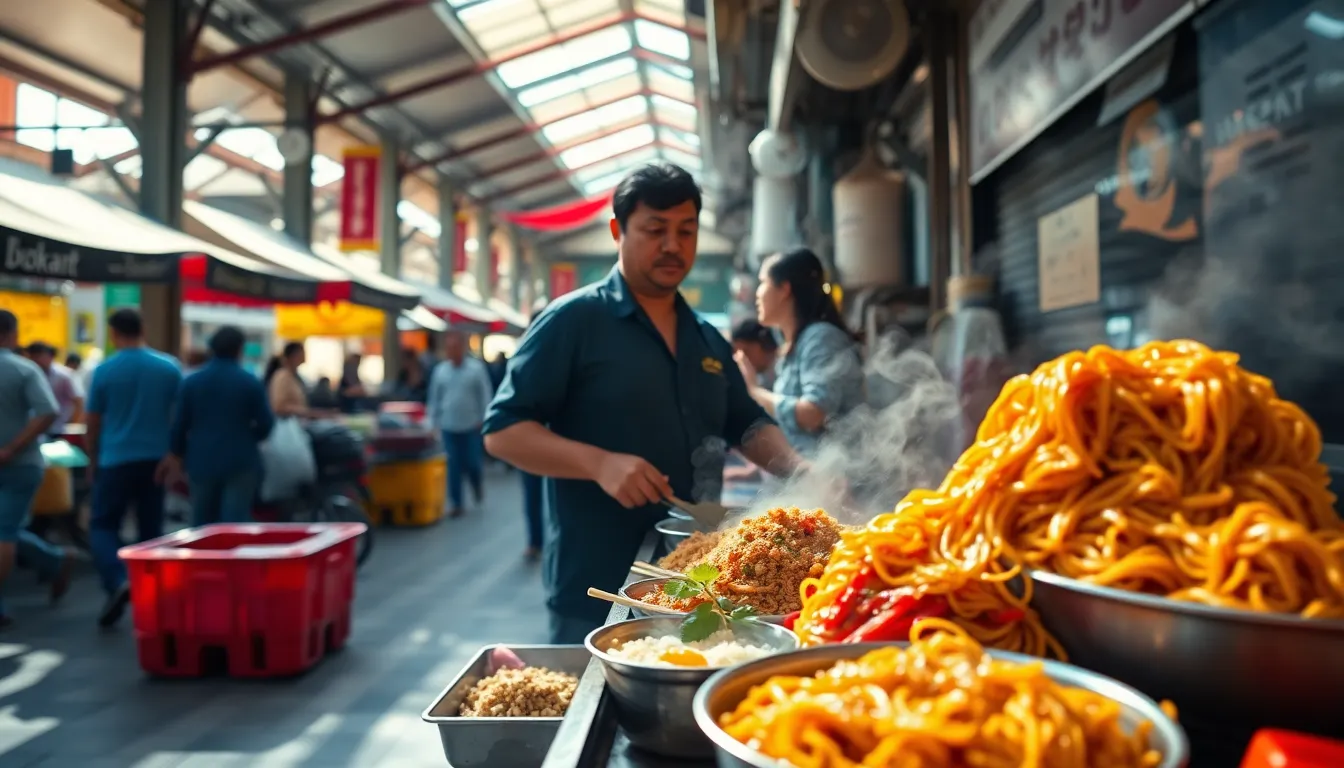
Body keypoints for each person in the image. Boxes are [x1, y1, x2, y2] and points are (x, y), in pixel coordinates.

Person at [483, 163, 805, 643]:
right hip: (598, 583)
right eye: (655, 230)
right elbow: (502, 431)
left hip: (699, 586)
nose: (673, 245)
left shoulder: (705, 339)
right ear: (618, 230)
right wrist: (598, 463)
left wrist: (801, 470)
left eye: (686, 231)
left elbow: (748, 422)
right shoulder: (574, 321)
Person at [86, 308, 183, 627]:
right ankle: (152, 598)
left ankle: (116, 580)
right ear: (144, 328)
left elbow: (94, 421)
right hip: (156, 460)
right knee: (150, 531)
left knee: (102, 525)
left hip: (114, 459)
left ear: (113, 333)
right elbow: (181, 417)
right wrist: (175, 455)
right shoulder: (169, 368)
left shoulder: (103, 371)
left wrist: (92, 459)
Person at [735, 246, 865, 456]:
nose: (757, 293)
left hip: (838, 480)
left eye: (763, 282)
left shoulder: (822, 338)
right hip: (809, 478)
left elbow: (814, 414)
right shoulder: (794, 343)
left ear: (784, 289)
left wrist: (755, 392)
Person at [0, 311, 72, 628]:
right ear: (13, 335)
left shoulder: (24, 368)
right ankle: (55, 561)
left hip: (17, 463)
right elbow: (48, 412)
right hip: (23, 463)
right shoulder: (24, 369)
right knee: (5, 529)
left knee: (4, 531)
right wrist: (13, 448)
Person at [163, 326, 275, 527]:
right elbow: (266, 423)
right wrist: (249, 437)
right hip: (241, 459)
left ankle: (203, 558)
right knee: (234, 523)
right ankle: (231, 558)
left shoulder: (192, 382)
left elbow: (179, 424)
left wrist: (176, 454)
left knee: (201, 523)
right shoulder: (250, 382)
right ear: (240, 349)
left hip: (201, 459)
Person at [428, 330, 493, 518]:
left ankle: (476, 484)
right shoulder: (440, 371)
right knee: (453, 465)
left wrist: (484, 418)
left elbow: (485, 394)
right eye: (449, 347)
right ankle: (457, 503)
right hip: (448, 425)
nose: (452, 351)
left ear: (463, 348)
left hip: (471, 425)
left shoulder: (476, 369)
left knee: (473, 462)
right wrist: (432, 423)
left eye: (455, 347)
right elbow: (434, 399)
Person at [25, 342, 85, 435]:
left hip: (60, 429)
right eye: (33, 357)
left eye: (39, 356)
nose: (36, 360)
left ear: (50, 356)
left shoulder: (64, 375)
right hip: (35, 430)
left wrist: (74, 425)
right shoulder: (29, 375)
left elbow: (78, 401)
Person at [730, 319, 780, 389]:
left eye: (746, 351)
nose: (742, 360)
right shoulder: (759, 377)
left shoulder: (783, 368)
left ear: (765, 343)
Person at [266, 342, 312, 417]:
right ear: (293, 356)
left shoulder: (292, 376)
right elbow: (279, 406)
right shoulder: (283, 377)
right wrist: (304, 411)